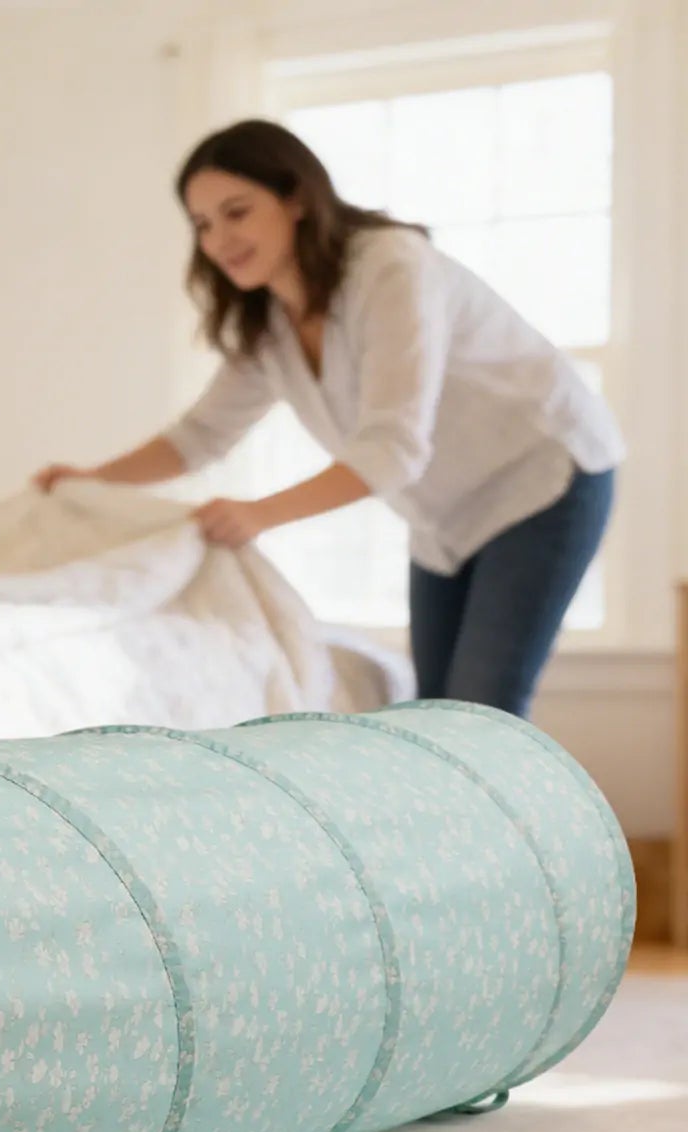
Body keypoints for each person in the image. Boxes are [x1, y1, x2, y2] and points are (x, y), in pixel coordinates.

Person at [34, 118, 624, 719]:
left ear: (295, 199)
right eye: (203, 224)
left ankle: (530, 815)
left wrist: (258, 514)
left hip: (544, 477)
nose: (218, 240)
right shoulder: (269, 322)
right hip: (444, 517)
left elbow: (392, 448)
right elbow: (200, 437)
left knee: (483, 707)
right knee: (436, 709)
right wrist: (91, 479)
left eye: (237, 212)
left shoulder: (391, 265)